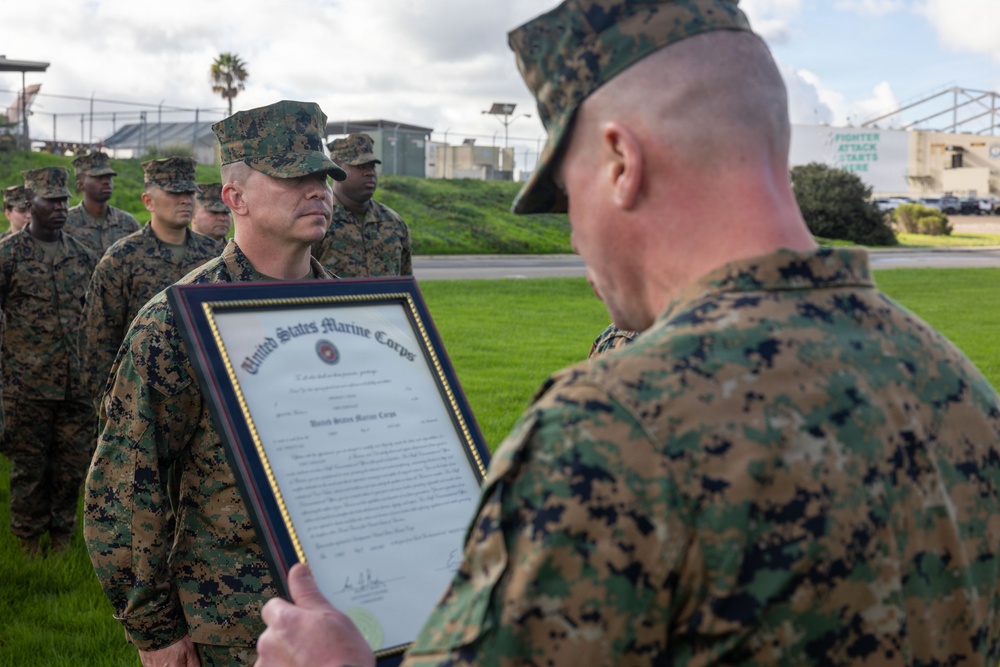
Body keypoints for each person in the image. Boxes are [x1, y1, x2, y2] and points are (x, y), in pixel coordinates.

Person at [255, 2, 1000, 666]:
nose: (577, 238)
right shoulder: (959, 386)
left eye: (566, 195)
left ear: (620, 162)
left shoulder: (614, 430)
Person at [83, 100, 346, 667]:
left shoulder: (352, 311)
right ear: (235, 198)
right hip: (234, 621)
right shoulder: (178, 321)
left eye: (322, 175)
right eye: (293, 176)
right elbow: (128, 481)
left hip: (352, 603)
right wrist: (154, 628)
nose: (318, 189)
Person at [0, 167, 96, 557]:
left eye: (62, 200)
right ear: (30, 204)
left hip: (76, 386)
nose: (60, 208)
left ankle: (61, 538)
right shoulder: (8, 255)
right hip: (26, 385)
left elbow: (95, 318)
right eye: (50, 201)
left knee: (70, 468)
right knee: (29, 468)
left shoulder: (83, 256)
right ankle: (26, 542)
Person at [80, 157, 223, 409]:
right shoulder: (122, 258)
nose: (185, 200)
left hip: (205, 392)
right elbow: (98, 338)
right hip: (139, 397)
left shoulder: (213, 256)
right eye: (175, 192)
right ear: (148, 201)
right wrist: (104, 403)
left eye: (190, 192)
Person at [311, 133, 412, 277]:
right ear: (337, 170)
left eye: (372, 166)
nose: (369, 173)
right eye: (360, 166)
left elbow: (406, 282)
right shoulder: (318, 220)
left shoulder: (394, 223)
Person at [64, 151, 140, 258]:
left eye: (109, 177)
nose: (106, 182)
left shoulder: (128, 224)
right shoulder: (65, 224)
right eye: (98, 177)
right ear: (81, 185)